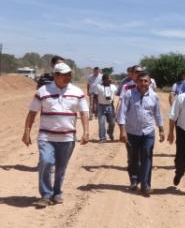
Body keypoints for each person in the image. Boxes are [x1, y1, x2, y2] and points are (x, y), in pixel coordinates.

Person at [22, 62, 89, 208]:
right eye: (64, 75)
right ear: (55, 76)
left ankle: (57, 192)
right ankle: (46, 194)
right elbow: (32, 112)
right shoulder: (43, 91)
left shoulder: (77, 92)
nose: (68, 77)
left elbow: (84, 113)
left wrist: (86, 132)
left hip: (67, 138)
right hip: (46, 136)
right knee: (45, 161)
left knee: (61, 168)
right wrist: (26, 131)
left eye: (69, 74)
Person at [117, 71, 164, 197]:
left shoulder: (154, 96)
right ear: (136, 82)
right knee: (133, 158)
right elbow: (121, 113)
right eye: (141, 81)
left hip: (148, 132)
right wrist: (122, 131)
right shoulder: (129, 94)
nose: (143, 83)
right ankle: (134, 179)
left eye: (146, 81)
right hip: (132, 132)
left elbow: (158, 114)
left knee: (147, 156)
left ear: (149, 82)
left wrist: (161, 130)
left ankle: (145, 185)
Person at [95, 73, 118, 142]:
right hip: (101, 106)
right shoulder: (98, 86)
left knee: (112, 123)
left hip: (110, 106)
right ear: (104, 80)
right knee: (101, 123)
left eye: (111, 78)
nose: (110, 80)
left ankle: (110, 132)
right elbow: (95, 97)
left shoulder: (113, 87)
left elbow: (118, 93)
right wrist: (94, 107)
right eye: (109, 78)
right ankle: (102, 138)